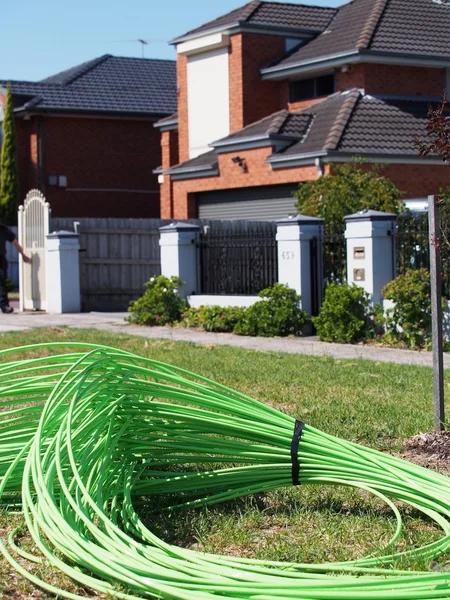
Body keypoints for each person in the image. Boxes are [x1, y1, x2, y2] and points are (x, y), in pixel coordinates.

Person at [0, 223, 31, 313]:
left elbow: (14, 242)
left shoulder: (3, 229)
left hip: (1, 259)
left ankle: (4, 305)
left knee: (2, 280)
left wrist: (23, 254)